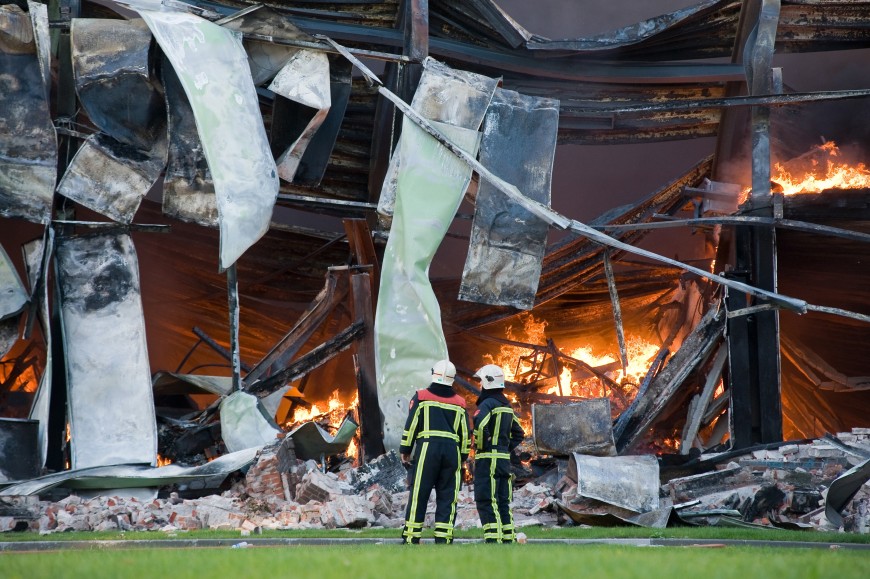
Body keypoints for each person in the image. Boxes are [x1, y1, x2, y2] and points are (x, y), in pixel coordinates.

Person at [399, 359, 471, 544]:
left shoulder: (421, 397)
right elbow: (465, 432)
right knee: (448, 495)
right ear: (452, 379)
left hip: (427, 450)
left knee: (419, 493)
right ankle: (444, 539)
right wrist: (463, 456)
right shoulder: (460, 403)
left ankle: (411, 537)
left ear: (434, 374)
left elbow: (411, 425)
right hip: (452, 452)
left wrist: (405, 449)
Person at [471, 364, 524, 543]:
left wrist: (481, 446)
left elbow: (480, 424)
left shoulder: (487, 404)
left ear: (486, 383)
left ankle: (493, 539)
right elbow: (519, 432)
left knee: (486, 498)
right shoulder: (507, 406)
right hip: (503, 459)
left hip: (487, 458)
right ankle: (508, 537)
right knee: (502, 499)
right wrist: (504, 448)